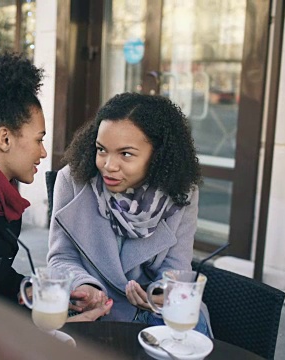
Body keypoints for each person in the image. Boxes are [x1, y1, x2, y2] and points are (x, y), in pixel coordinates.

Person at [0, 53, 112, 321]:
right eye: (38, 140)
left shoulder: (2, 198)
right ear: (4, 138)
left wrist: (49, 295)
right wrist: (47, 326)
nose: (43, 152)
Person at [47, 92, 211, 335]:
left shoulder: (181, 194)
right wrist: (84, 285)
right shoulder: (73, 180)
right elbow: (61, 258)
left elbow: (176, 267)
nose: (109, 165)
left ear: (158, 155)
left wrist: (158, 294)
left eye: (125, 154)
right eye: (101, 150)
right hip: (91, 309)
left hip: (153, 312)